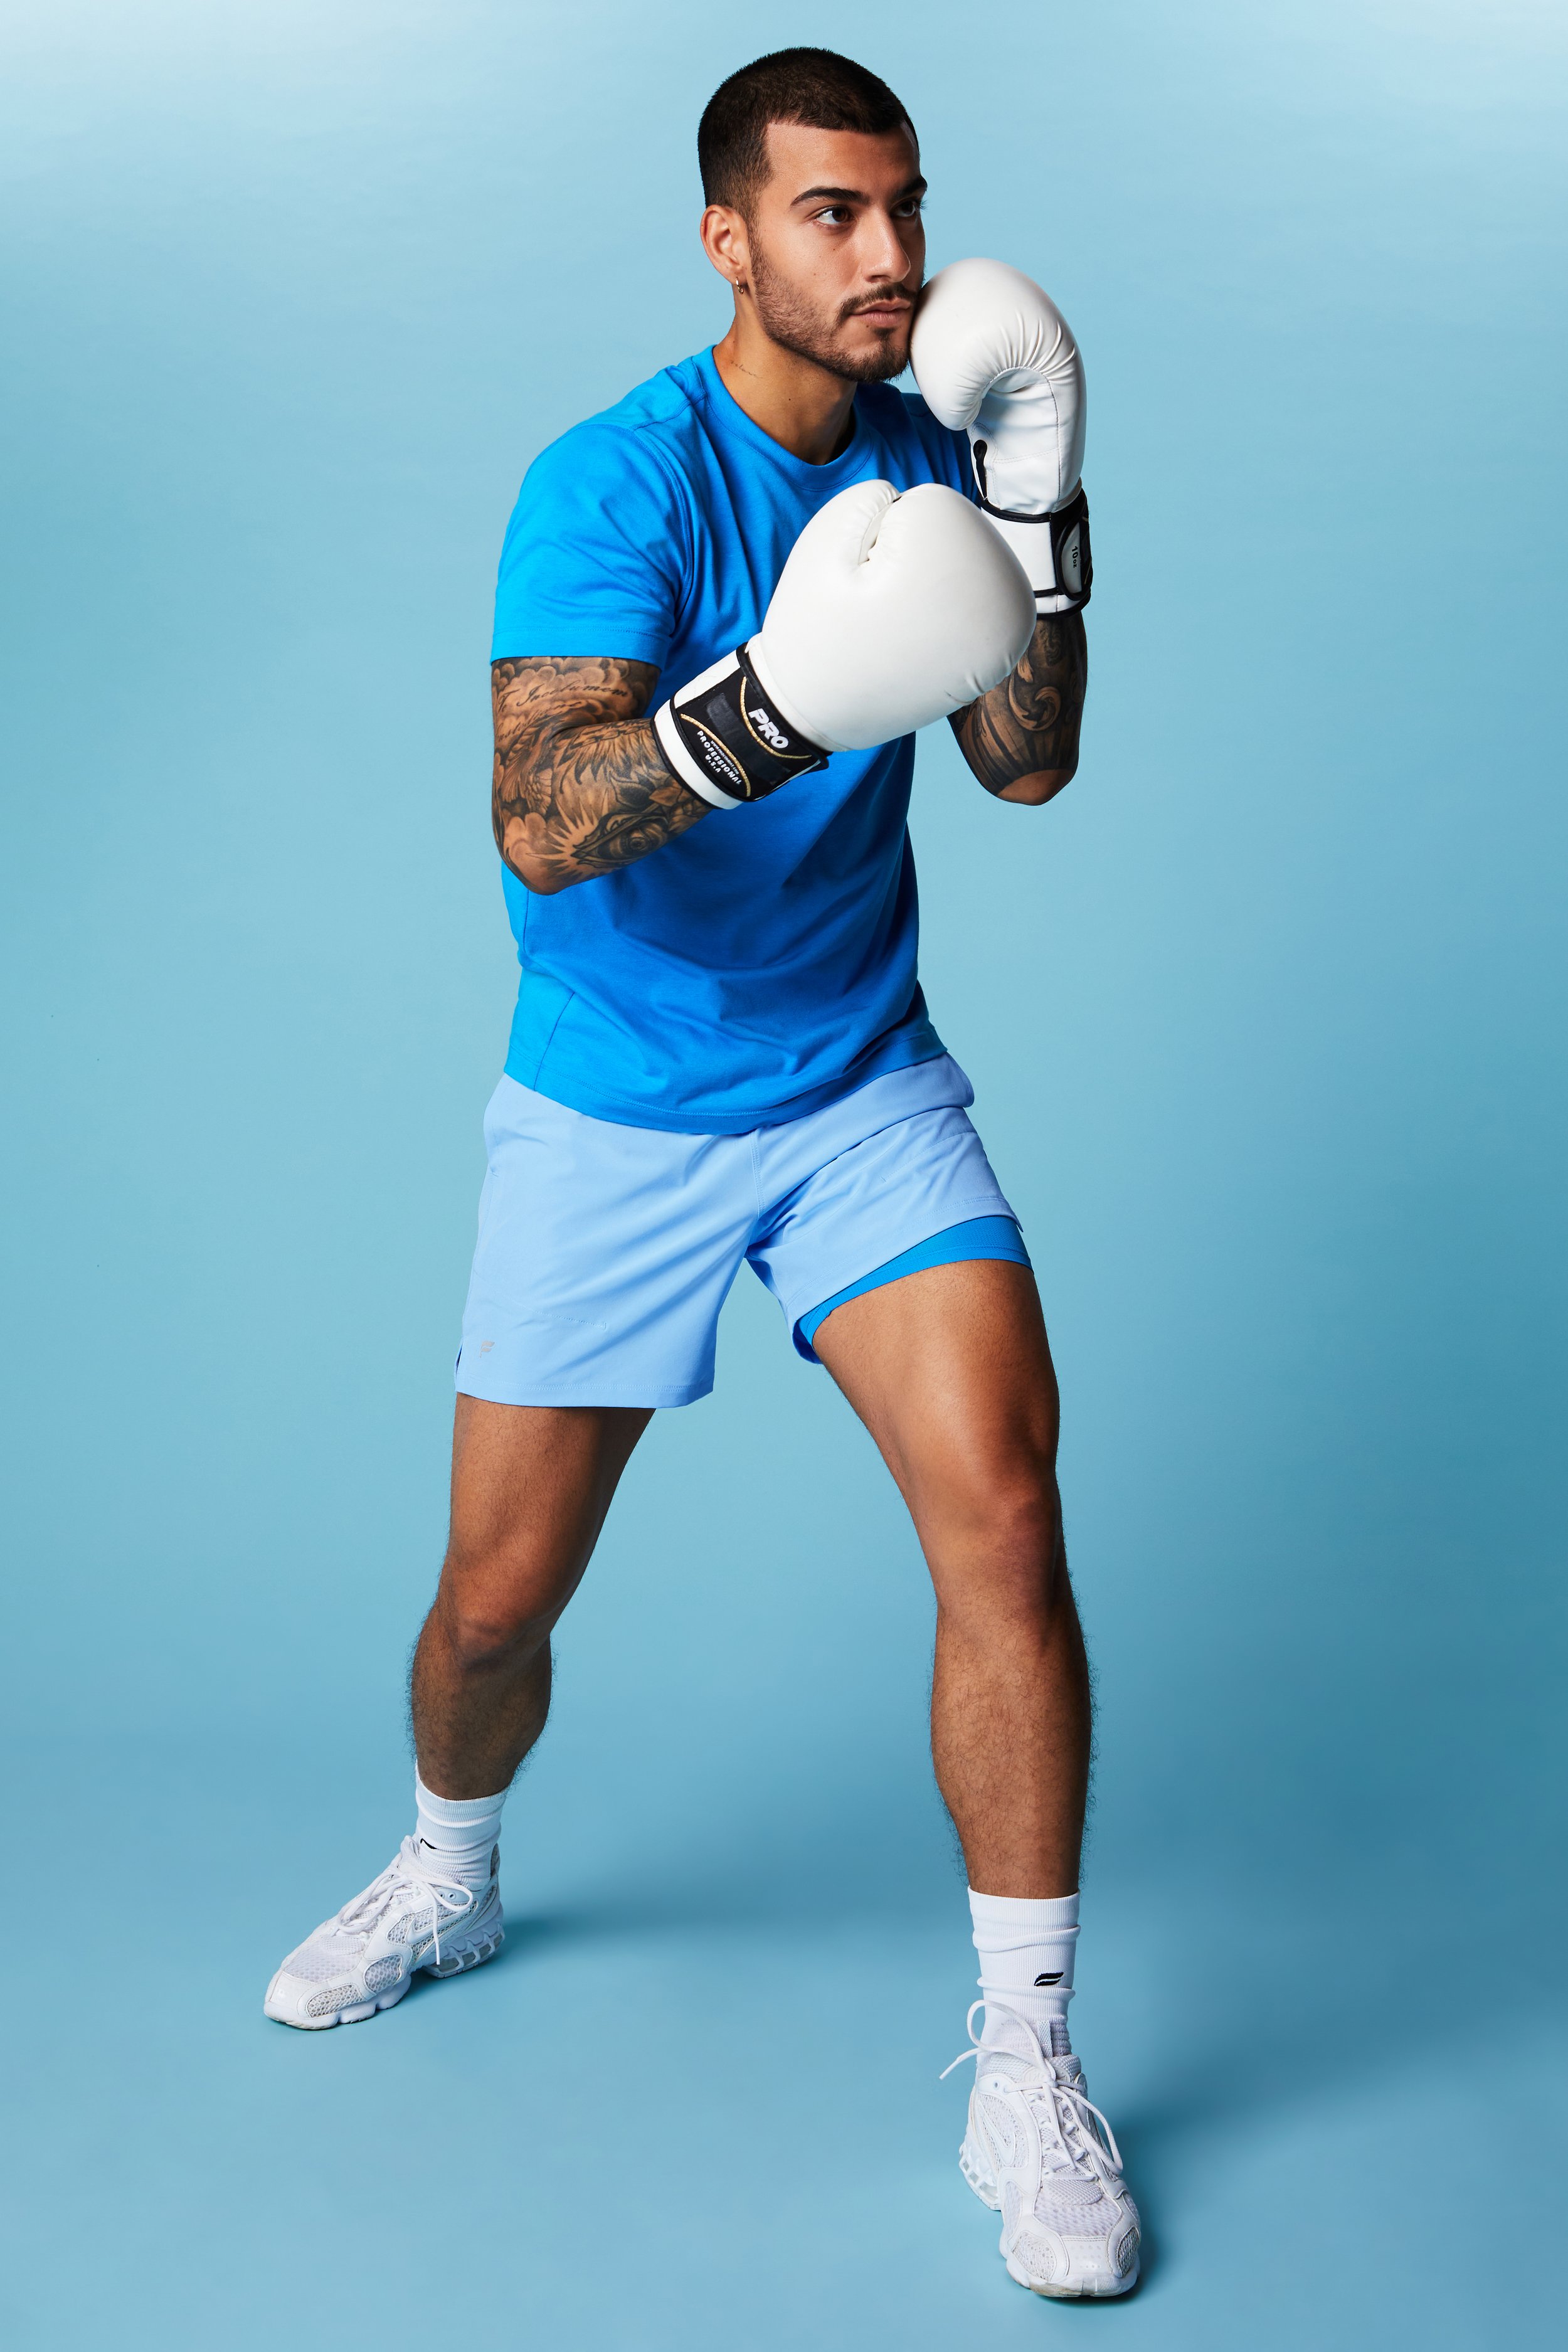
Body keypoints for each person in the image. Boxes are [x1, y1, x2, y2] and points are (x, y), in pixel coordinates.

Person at [265, 46, 1140, 2302]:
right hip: (616, 1109)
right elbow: (537, 813)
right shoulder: (614, 477)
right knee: (492, 1609)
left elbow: (1026, 771)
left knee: (1008, 1503)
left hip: (860, 1089)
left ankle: (1027, 2068)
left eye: (906, 209)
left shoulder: (951, 434)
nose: (892, 258)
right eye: (834, 215)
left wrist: (1039, 504)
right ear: (727, 236)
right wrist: (768, 697)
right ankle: (450, 1862)